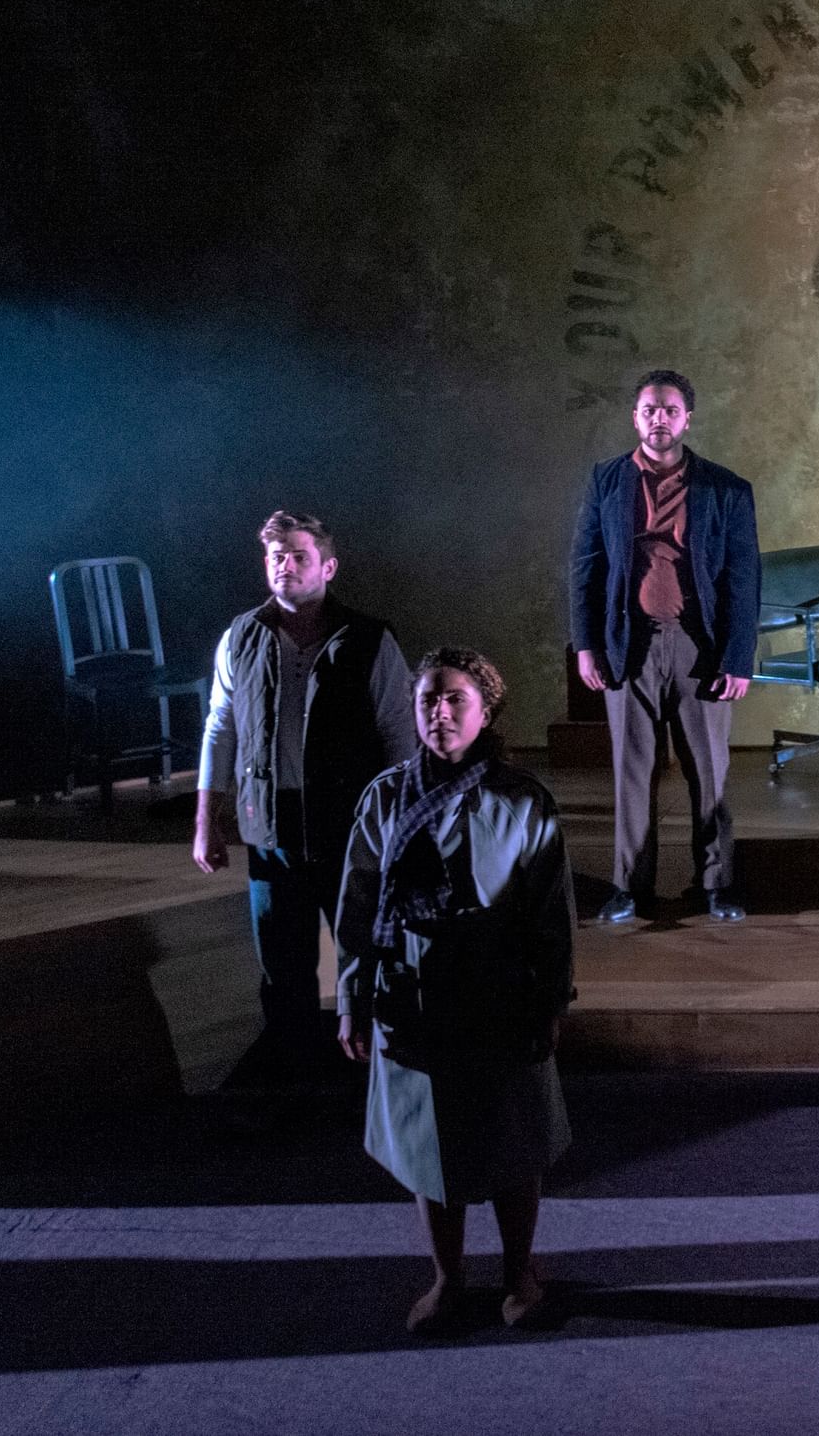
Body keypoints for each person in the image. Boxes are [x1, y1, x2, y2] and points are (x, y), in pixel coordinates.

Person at [336, 647, 575, 1336]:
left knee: (513, 1133)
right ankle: (447, 1277)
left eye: (455, 700)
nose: (440, 712)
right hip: (413, 989)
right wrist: (352, 997)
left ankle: (520, 1270)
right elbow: (355, 905)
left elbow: (550, 911)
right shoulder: (385, 798)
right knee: (426, 1139)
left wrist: (551, 998)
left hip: (499, 985)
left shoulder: (521, 801)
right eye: (429, 700)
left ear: (486, 710)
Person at [194, 511, 416, 1077]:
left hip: (350, 824)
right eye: (276, 557)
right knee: (281, 962)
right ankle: (291, 1073)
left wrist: (401, 823)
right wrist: (206, 819)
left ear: (328, 566)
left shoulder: (369, 638)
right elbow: (220, 727)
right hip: (271, 826)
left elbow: (398, 731)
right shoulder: (240, 636)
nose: (285, 566)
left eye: (298, 556)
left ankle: (375, 1073)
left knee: (361, 950)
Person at [568, 369, 761, 924]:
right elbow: (586, 568)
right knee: (632, 773)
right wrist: (586, 646)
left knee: (710, 773)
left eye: (670, 410)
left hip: (700, 649)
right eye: (649, 408)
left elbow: (744, 579)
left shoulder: (726, 489)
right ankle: (630, 887)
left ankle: (716, 885)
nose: (659, 418)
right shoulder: (606, 481)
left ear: (687, 419)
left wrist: (738, 657)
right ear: (635, 416)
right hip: (628, 645)